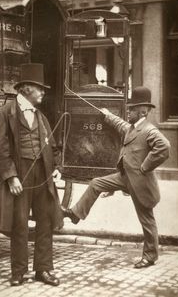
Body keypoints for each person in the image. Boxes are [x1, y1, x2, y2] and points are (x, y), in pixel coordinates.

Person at [62, 86, 170, 269]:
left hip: (140, 183)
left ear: (143, 111)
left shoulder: (149, 130)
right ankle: (75, 214)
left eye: (132, 109)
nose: (128, 112)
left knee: (147, 220)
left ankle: (150, 256)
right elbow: (120, 124)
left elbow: (164, 147)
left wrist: (145, 166)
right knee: (96, 183)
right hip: (125, 178)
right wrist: (106, 114)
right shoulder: (133, 127)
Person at [0, 63, 63, 286]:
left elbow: (52, 146)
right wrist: (11, 176)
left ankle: (44, 269)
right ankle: (18, 271)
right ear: (26, 89)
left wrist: (56, 167)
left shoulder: (40, 117)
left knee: (45, 220)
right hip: (20, 173)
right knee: (19, 222)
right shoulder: (5, 113)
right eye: (39, 88)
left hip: (42, 174)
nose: (43, 92)